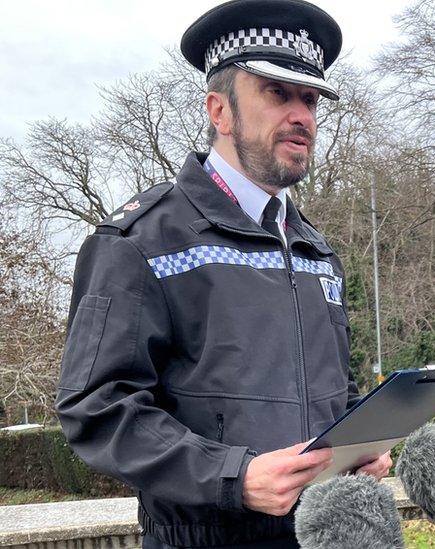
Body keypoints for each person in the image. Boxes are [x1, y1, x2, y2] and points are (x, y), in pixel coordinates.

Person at [55, 1, 391, 546]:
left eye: (309, 99)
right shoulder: (140, 241)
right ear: (220, 111)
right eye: (277, 93)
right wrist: (232, 478)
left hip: (326, 534)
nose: (302, 116)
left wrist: (360, 445)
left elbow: (336, 390)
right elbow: (96, 405)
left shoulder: (316, 251)